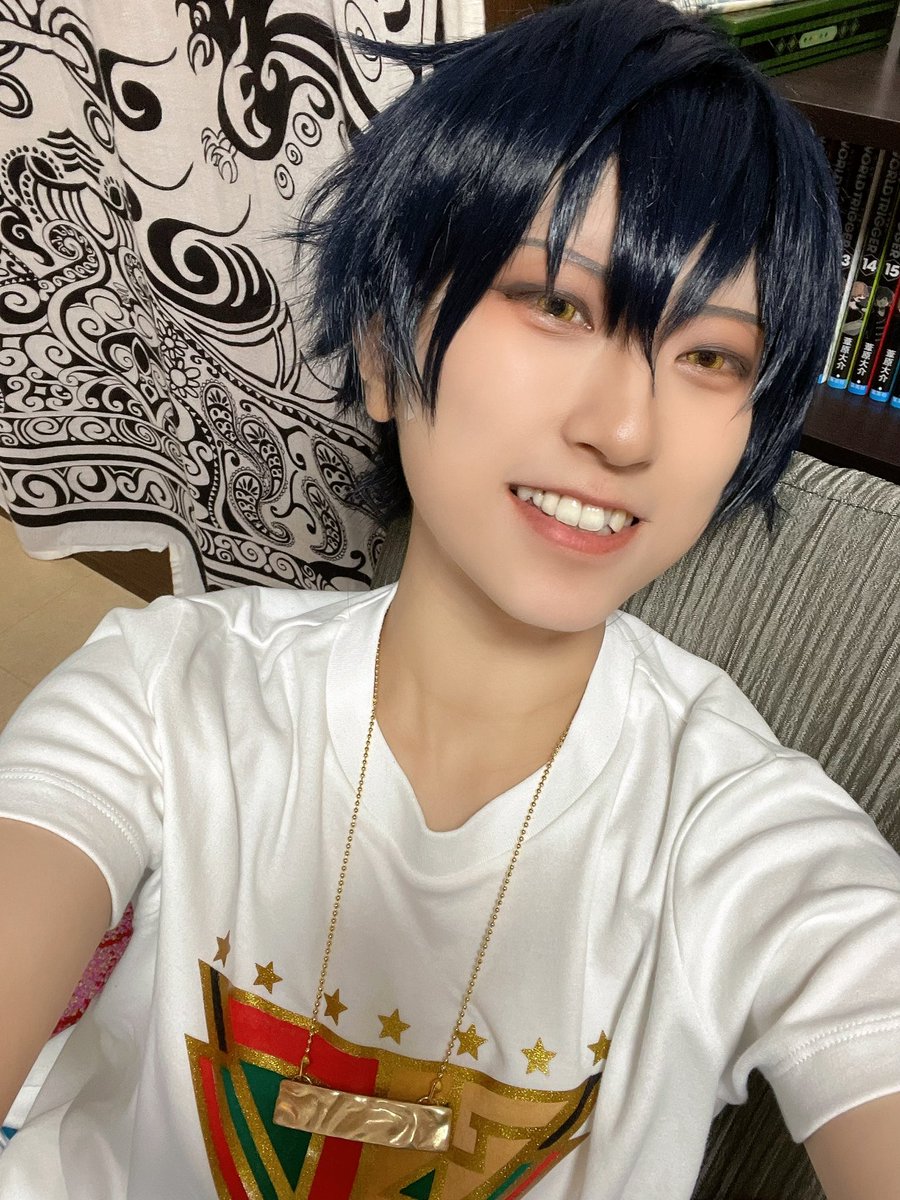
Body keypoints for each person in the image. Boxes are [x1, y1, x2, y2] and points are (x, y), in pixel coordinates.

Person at [1, 0, 899, 1196]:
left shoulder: (746, 840)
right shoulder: (166, 690)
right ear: (383, 348)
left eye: (710, 357)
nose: (626, 430)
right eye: (560, 304)